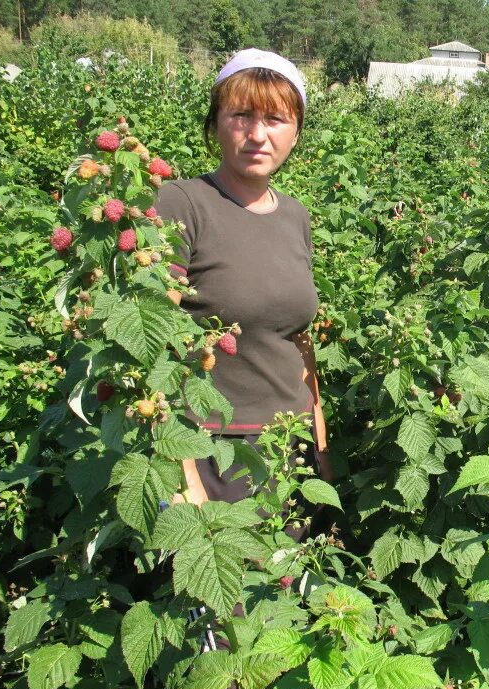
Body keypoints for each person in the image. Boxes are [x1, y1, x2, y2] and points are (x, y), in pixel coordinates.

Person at [156, 49, 330, 537]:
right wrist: (180, 470)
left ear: (295, 131)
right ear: (215, 125)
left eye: (275, 118)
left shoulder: (295, 216)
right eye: (241, 116)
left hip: (288, 447)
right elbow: (153, 346)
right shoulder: (182, 203)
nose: (258, 135)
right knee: (221, 605)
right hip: (214, 448)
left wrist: (319, 437)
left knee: (284, 599)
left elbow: (297, 337)